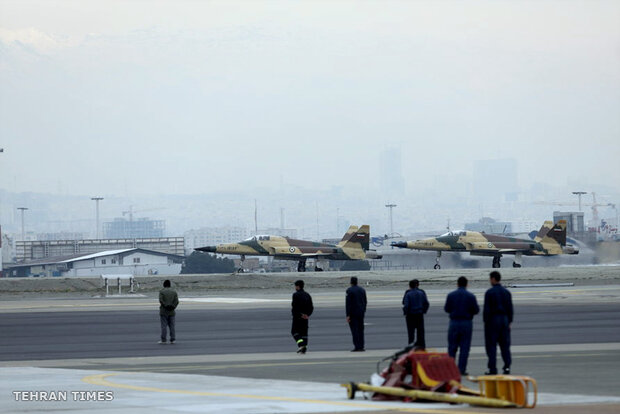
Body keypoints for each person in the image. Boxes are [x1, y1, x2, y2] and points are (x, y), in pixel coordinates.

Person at [444, 276, 480, 375]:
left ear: (457, 284)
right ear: (467, 284)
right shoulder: (471, 296)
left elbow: (446, 309)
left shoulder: (451, 295)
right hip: (466, 323)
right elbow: (476, 310)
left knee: (452, 348)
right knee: (464, 348)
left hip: (454, 322)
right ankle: (461, 370)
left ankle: (450, 370)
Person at [483, 271, 513, 375]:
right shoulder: (506, 292)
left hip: (493, 320)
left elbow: (486, 310)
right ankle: (507, 367)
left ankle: (492, 369)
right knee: (505, 345)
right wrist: (509, 321)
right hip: (504, 320)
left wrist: (486, 322)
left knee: (491, 346)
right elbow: (510, 308)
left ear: (493, 279)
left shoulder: (489, 293)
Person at [402, 279, 429, 349]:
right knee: (421, 334)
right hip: (419, 315)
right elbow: (426, 303)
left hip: (410, 316)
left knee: (411, 334)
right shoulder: (421, 292)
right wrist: (423, 311)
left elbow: (405, 304)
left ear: (409, 286)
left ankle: (410, 349)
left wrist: (405, 313)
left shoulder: (408, 293)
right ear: (418, 285)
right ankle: (422, 348)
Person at [291, 279, 313, 354]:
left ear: (298, 286)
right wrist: (307, 315)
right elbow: (311, 307)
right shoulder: (307, 295)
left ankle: (301, 345)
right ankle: (304, 348)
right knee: (304, 334)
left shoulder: (295, 295)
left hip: (297, 318)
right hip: (305, 318)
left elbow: (295, 307)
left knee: (294, 332)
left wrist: (300, 315)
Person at [346, 276, 367, 352]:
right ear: (357, 282)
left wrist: (348, 315)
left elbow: (348, 304)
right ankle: (361, 346)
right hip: (361, 313)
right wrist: (363, 310)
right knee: (361, 330)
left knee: (355, 330)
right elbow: (365, 301)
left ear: (351, 282)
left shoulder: (349, 290)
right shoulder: (362, 290)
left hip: (353, 313)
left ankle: (357, 346)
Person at [159, 279, 179, 344]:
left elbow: (161, 300)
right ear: (170, 285)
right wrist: (173, 307)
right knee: (172, 326)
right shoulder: (174, 292)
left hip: (164, 311)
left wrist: (166, 306)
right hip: (172, 311)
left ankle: (163, 340)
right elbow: (177, 301)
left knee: (164, 326)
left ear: (164, 285)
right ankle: (173, 339)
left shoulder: (162, 291)